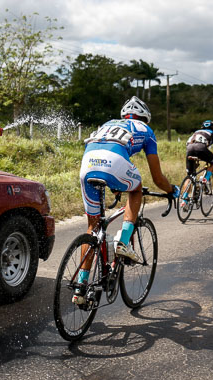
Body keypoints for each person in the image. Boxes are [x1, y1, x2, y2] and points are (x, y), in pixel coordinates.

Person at [76, 96, 178, 304]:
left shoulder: (107, 124)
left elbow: (106, 150)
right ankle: (123, 241)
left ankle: (80, 287)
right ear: (145, 117)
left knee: (93, 228)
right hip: (114, 163)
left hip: (88, 164)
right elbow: (157, 178)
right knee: (136, 188)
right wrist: (172, 190)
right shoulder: (146, 130)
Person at [183, 120, 213, 199]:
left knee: (190, 176)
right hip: (201, 148)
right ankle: (205, 180)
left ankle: (184, 199)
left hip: (189, 148)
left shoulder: (196, 132)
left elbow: (188, 144)